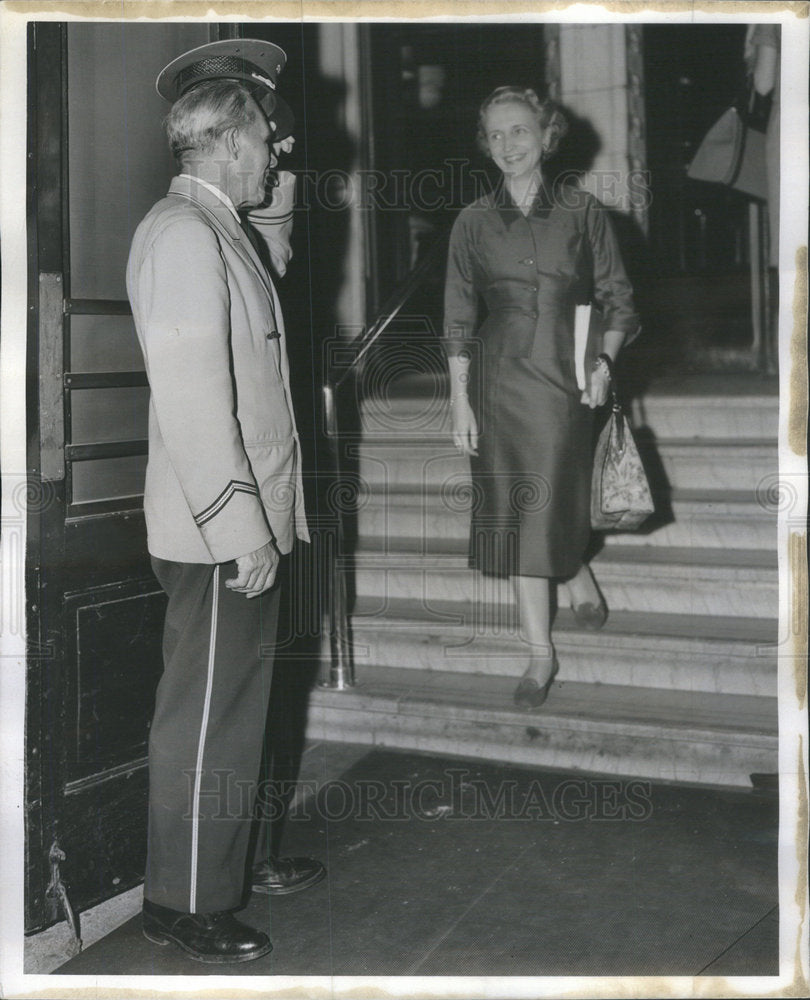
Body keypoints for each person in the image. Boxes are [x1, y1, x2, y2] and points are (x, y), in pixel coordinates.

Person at [126, 40, 324, 964]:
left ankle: (236, 860)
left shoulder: (218, 231)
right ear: (226, 145)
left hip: (241, 519)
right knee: (207, 715)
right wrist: (242, 526)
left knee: (241, 707)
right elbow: (195, 393)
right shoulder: (180, 234)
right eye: (265, 144)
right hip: (217, 528)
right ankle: (185, 901)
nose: (276, 157)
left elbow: (268, 279)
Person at [443, 86, 640, 710]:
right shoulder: (472, 220)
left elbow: (620, 300)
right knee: (518, 506)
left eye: (519, 132)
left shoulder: (584, 212)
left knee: (555, 497)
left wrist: (606, 359)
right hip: (498, 384)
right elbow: (456, 316)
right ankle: (539, 653)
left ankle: (574, 566)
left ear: (546, 134)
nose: (507, 146)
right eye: (495, 135)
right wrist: (458, 399)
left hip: (567, 379)